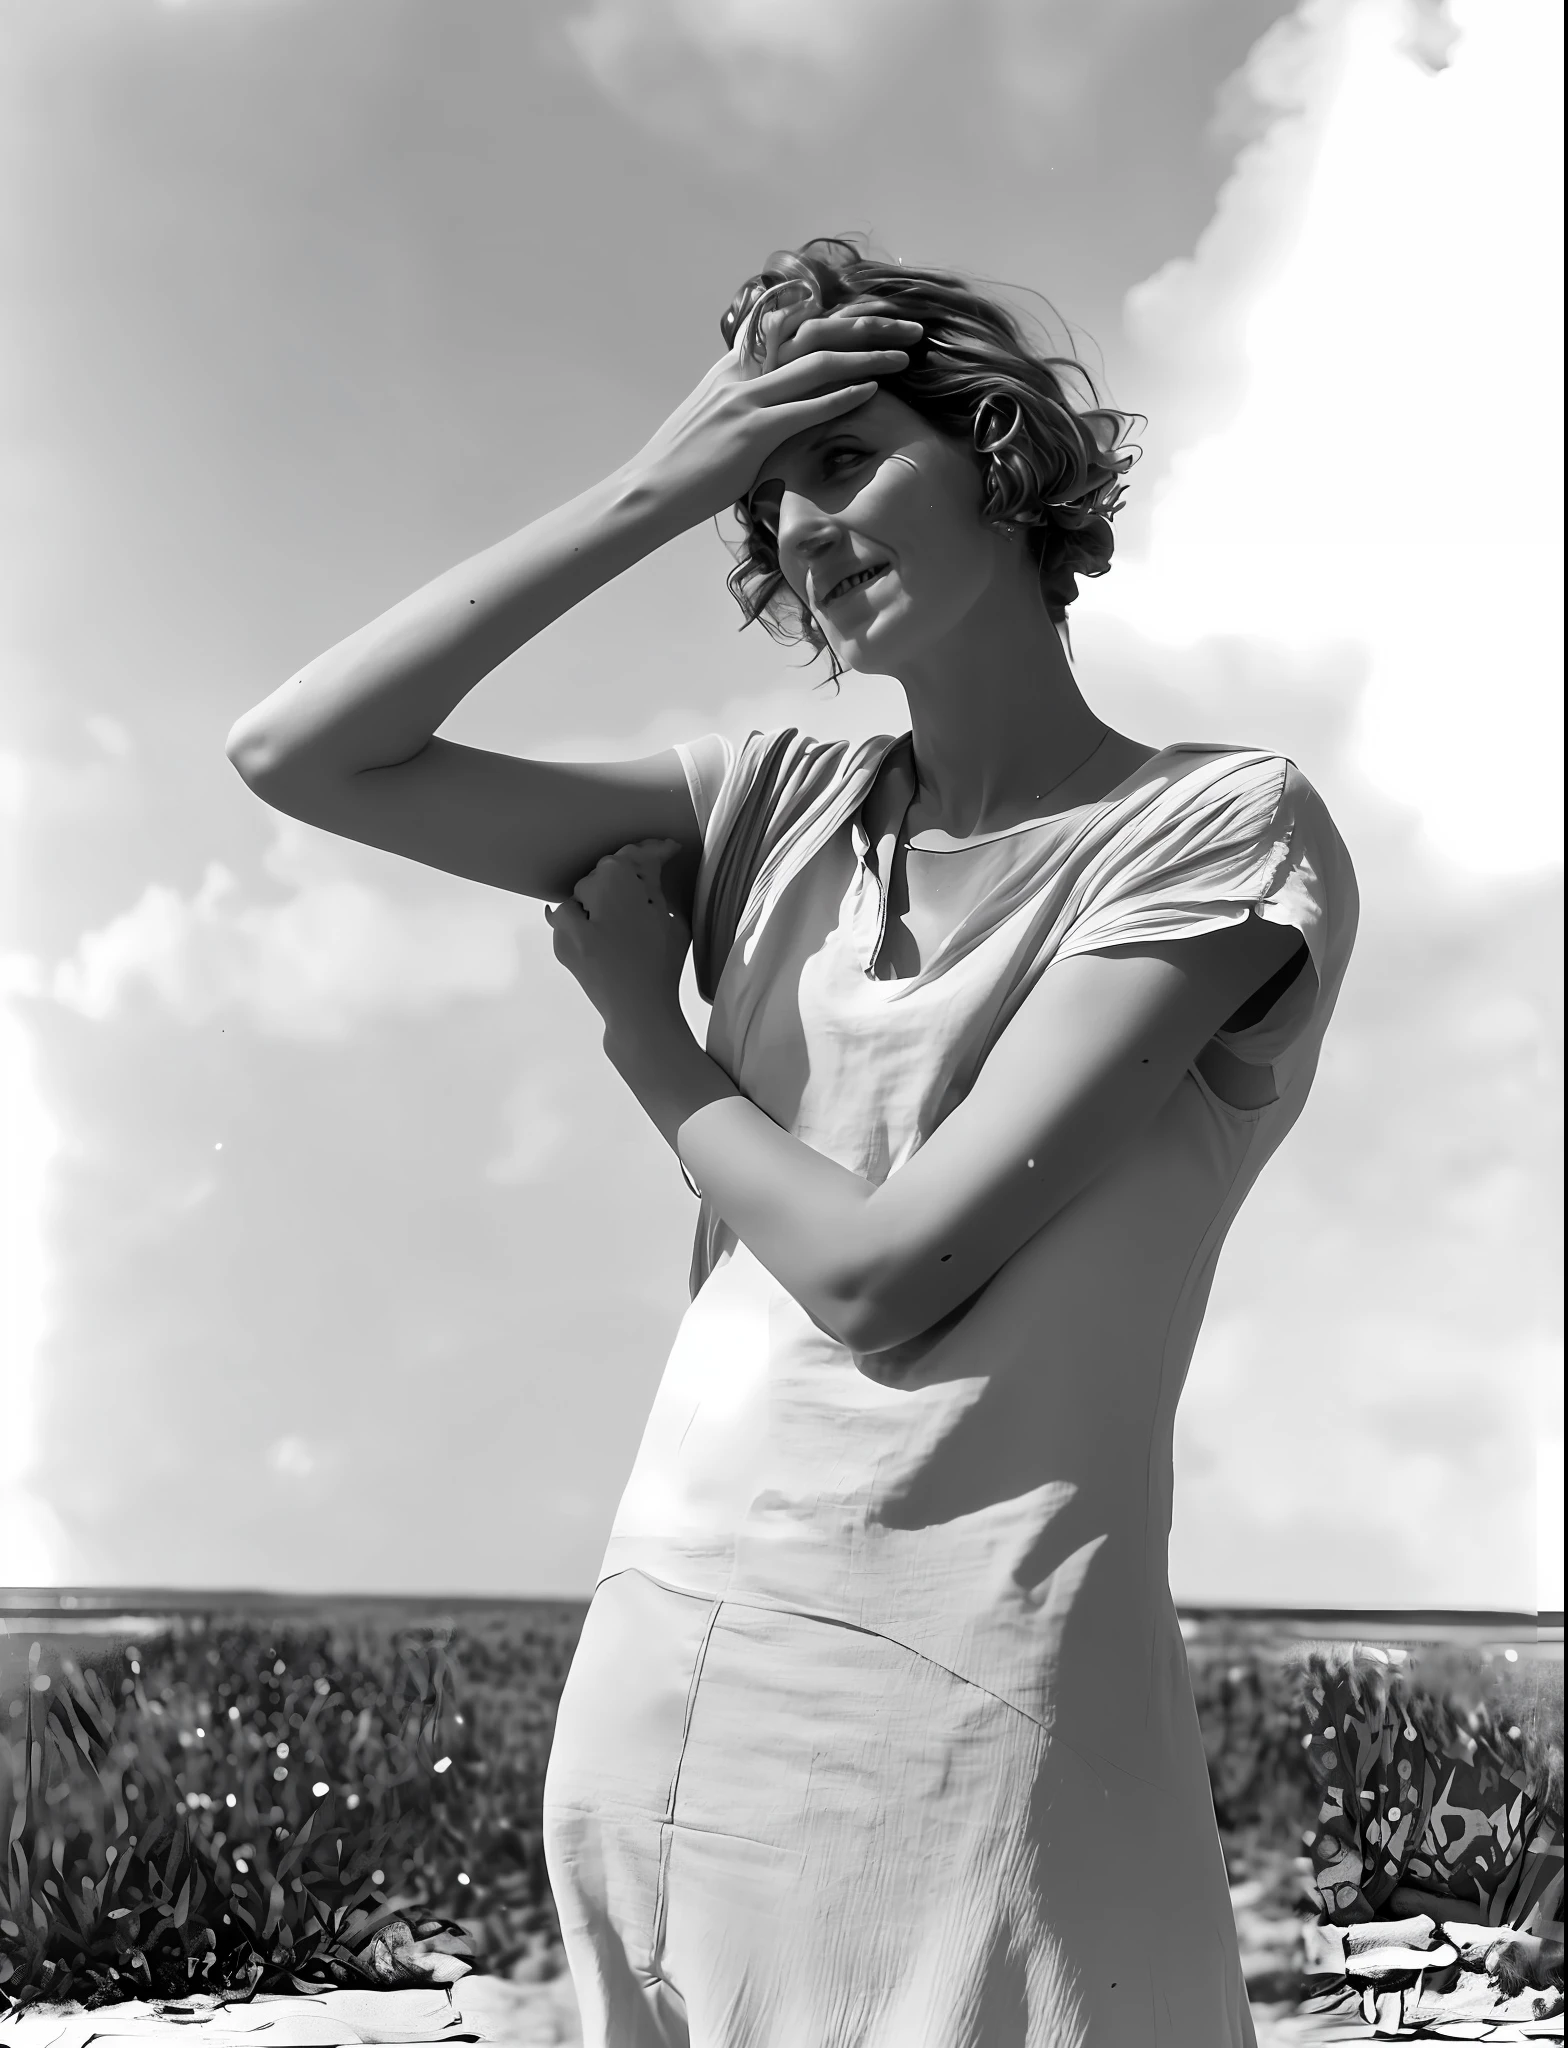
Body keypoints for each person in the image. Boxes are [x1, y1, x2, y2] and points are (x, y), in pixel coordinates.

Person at [226, 236, 1359, 2047]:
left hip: (972, 1703)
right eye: (766, 492)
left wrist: (647, 1046)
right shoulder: (769, 802)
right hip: (668, 1662)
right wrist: (657, 483)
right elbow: (300, 755)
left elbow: (887, 1273)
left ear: (1002, 457)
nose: (803, 523)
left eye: (843, 451)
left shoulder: (1217, 831)